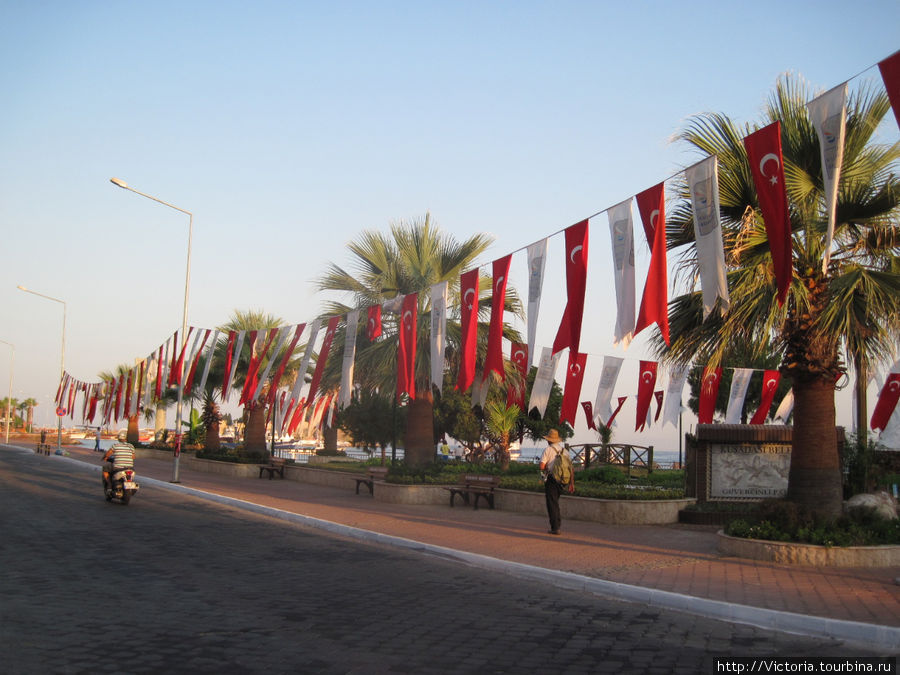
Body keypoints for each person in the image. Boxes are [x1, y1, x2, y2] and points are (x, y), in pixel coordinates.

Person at [539, 429, 574, 535]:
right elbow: (571, 468)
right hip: (563, 480)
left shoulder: (548, 450)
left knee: (551, 503)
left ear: (549, 440)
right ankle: (557, 524)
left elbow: (542, 466)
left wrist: (544, 470)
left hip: (552, 479)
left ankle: (555, 527)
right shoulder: (565, 451)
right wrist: (572, 484)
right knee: (555, 502)